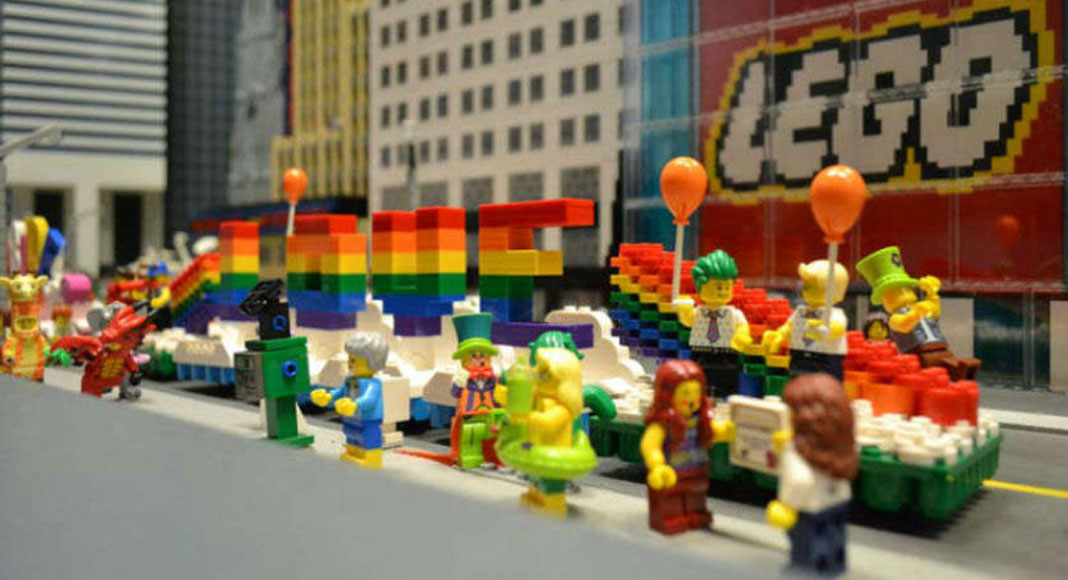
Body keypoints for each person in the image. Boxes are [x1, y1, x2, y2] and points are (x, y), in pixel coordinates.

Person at [766, 374, 858, 575]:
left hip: (809, 507)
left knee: (807, 549)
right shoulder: (841, 443)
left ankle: (808, 571)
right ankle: (835, 566)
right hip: (837, 501)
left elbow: (800, 480)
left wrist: (786, 505)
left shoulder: (797, 450)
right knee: (835, 540)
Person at [856, 247, 979, 380]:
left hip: (941, 348)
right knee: (935, 374)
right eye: (895, 293)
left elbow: (934, 312)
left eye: (906, 289)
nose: (903, 294)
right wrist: (917, 312)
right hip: (917, 354)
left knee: (957, 368)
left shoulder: (919, 306)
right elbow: (904, 325)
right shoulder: (894, 318)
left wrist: (932, 294)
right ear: (885, 300)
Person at [641, 359, 734, 535]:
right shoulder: (663, 423)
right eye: (685, 393)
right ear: (667, 395)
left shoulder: (700, 420)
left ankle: (695, 514)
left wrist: (728, 431)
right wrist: (656, 465)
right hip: (670, 472)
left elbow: (713, 431)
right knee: (670, 497)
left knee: (695, 495)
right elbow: (650, 444)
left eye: (696, 393)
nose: (691, 400)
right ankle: (670, 518)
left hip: (696, 469)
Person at [675, 249, 751, 397]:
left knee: (727, 383)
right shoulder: (698, 312)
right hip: (701, 353)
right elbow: (688, 321)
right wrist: (684, 310)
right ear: (700, 287)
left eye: (727, 287)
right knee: (699, 382)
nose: (722, 292)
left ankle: (725, 400)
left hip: (727, 355)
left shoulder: (733, 314)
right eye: (718, 287)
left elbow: (743, 326)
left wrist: (742, 336)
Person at [311, 332, 389, 468]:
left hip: (367, 420)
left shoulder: (373, 384)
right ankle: (352, 452)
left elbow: (369, 400)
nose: (350, 364)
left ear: (372, 362)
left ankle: (371, 458)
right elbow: (341, 392)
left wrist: (355, 404)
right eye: (350, 359)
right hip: (351, 418)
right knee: (351, 435)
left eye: (354, 360)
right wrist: (328, 397)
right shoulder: (350, 380)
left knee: (368, 438)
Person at [764, 260, 849, 381]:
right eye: (806, 286)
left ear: (834, 292)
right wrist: (780, 334)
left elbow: (838, 328)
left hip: (825, 357)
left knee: (824, 383)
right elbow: (790, 326)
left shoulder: (834, 314)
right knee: (797, 379)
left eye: (813, 287)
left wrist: (826, 330)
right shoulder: (801, 312)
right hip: (799, 355)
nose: (806, 290)